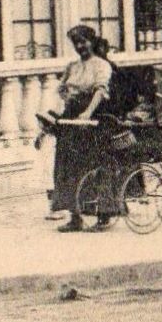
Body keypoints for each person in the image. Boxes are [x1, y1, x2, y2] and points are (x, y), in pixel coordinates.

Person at [47, 25, 117, 233]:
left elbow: (100, 91)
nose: (80, 46)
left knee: (92, 165)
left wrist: (87, 112)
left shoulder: (101, 65)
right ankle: (74, 216)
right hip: (71, 118)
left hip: (93, 119)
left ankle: (103, 214)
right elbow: (62, 88)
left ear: (92, 41)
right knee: (67, 166)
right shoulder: (72, 67)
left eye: (83, 41)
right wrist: (66, 98)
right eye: (76, 43)